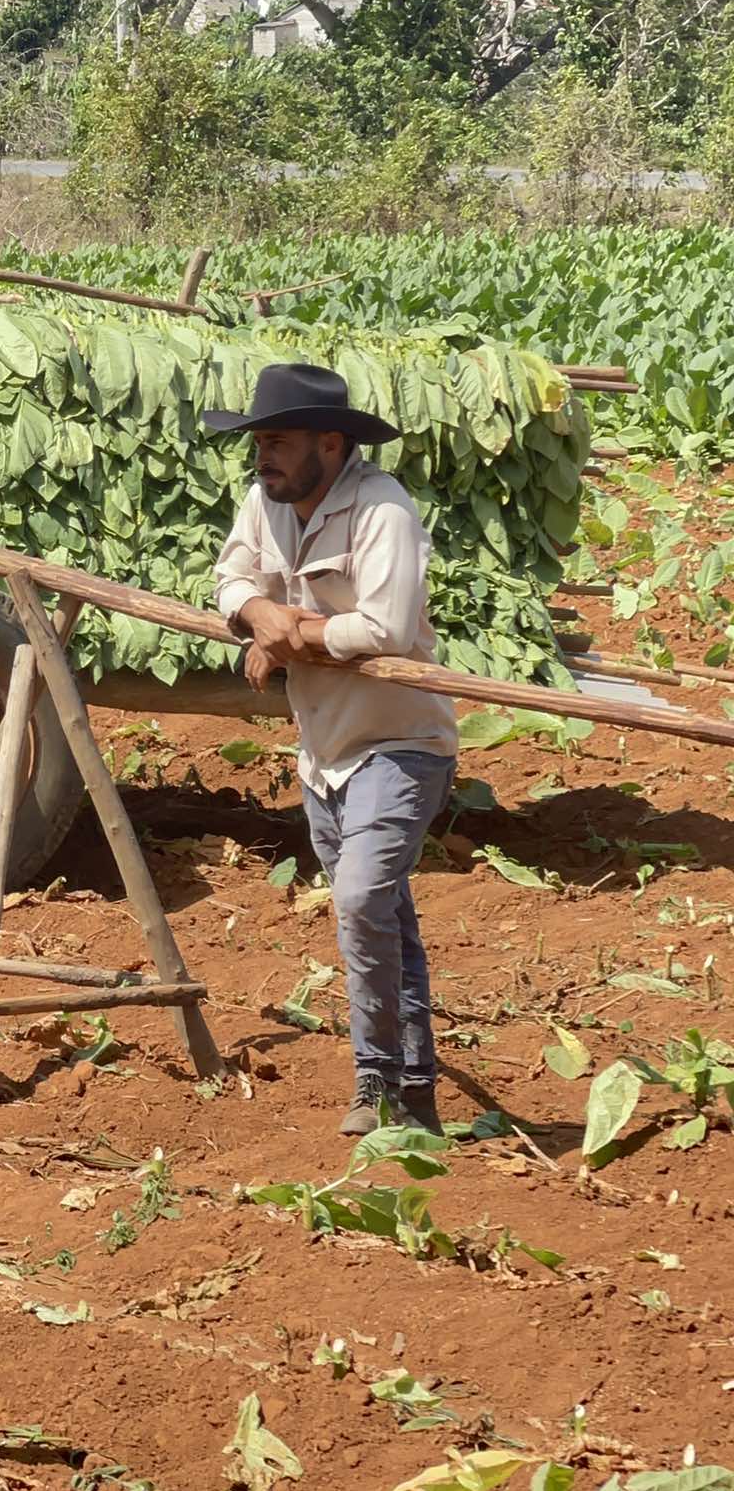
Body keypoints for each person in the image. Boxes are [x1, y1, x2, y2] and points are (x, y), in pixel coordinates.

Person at [208, 362, 458, 1135]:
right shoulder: (265, 501)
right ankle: (415, 1093)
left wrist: (289, 635)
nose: (263, 455)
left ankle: (374, 1080)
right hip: (324, 753)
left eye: (277, 441)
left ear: (330, 442)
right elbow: (227, 577)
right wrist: (255, 610)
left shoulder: (383, 511)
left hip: (400, 742)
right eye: (258, 441)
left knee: (356, 900)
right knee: (383, 912)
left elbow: (382, 628)